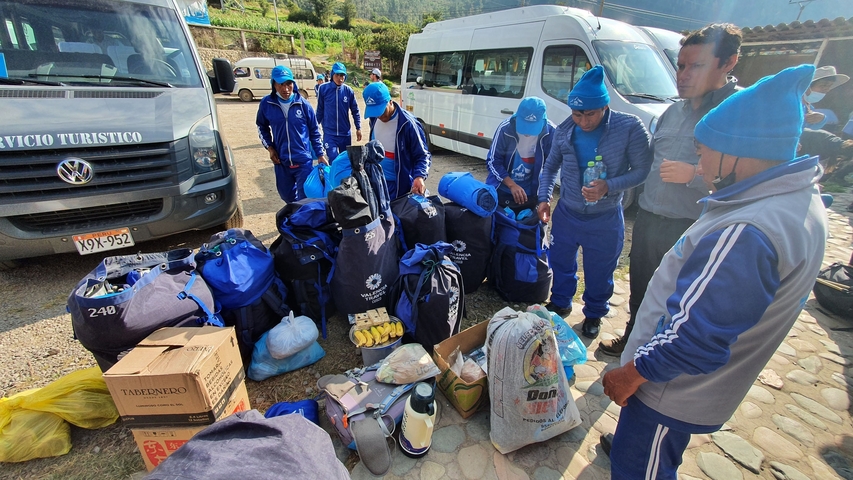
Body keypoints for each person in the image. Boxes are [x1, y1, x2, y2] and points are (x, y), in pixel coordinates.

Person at [601, 64, 827, 480]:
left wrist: (630, 374)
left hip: (666, 392)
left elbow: (694, 339)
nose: (699, 168)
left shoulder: (747, 230)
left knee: (639, 470)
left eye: (703, 153)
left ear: (737, 150)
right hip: (689, 390)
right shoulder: (799, 201)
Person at [599, 23, 743, 356]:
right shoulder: (671, 112)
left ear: (728, 63)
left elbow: (748, 178)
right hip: (650, 218)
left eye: (697, 66)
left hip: (694, 226)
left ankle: (662, 352)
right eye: (681, 65)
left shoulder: (737, 113)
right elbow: (648, 164)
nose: (684, 74)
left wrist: (694, 173)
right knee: (642, 285)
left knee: (682, 295)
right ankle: (633, 336)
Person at [536, 65, 652, 339]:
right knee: (562, 261)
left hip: (605, 217)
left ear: (604, 107)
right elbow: (550, 167)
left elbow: (643, 169)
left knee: (600, 270)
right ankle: (561, 301)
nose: (583, 121)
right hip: (568, 212)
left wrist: (609, 186)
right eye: (577, 114)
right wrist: (543, 199)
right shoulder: (564, 131)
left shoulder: (629, 127)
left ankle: (594, 313)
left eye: (590, 114)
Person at [256, 65, 326, 203]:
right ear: (273, 84)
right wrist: (270, 148)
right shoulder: (267, 104)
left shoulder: (303, 105)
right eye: (281, 84)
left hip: (303, 161)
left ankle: (301, 222)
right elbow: (261, 126)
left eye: (289, 84)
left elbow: (315, 131)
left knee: (304, 199)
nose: (285, 89)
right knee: (287, 197)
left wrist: (320, 154)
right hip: (281, 161)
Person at [362, 82, 431, 199]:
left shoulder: (408, 124)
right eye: (375, 112)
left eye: (381, 111)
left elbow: (422, 155)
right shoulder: (374, 118)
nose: (379, 116)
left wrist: (419, 176)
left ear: (389, 101)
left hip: (397, 187)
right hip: (376, 180)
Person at [486, 96, 556, 210]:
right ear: (517, 117)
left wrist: (545, 193)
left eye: (532, 128)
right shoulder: (505, 128)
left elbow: (551, 167)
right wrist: (511, 185)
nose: (528, 133)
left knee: (533, 224)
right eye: (524, 126)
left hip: (531, 192)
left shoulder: (551, 132)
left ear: (543, 121)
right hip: (502, 188)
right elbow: (493, 162)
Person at [316, 62, 362, 160]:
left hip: (344, 133)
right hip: (329, 133)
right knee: (333, 159)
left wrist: (358, 128)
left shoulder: (348, 91)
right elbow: (320, 110)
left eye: (342, 75)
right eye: (337, 75)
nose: (340, 78)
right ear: (333, 74)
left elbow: (355, 110)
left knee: (345, 161)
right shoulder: (323, 89)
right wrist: (314, 129)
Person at [803, 65, 849, 131]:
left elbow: (810, 131)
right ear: (807, 86)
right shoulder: (790, 104)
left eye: (829, 86)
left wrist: (821, 120)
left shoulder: (808, 107)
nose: (826, 89)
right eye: (823, 85)